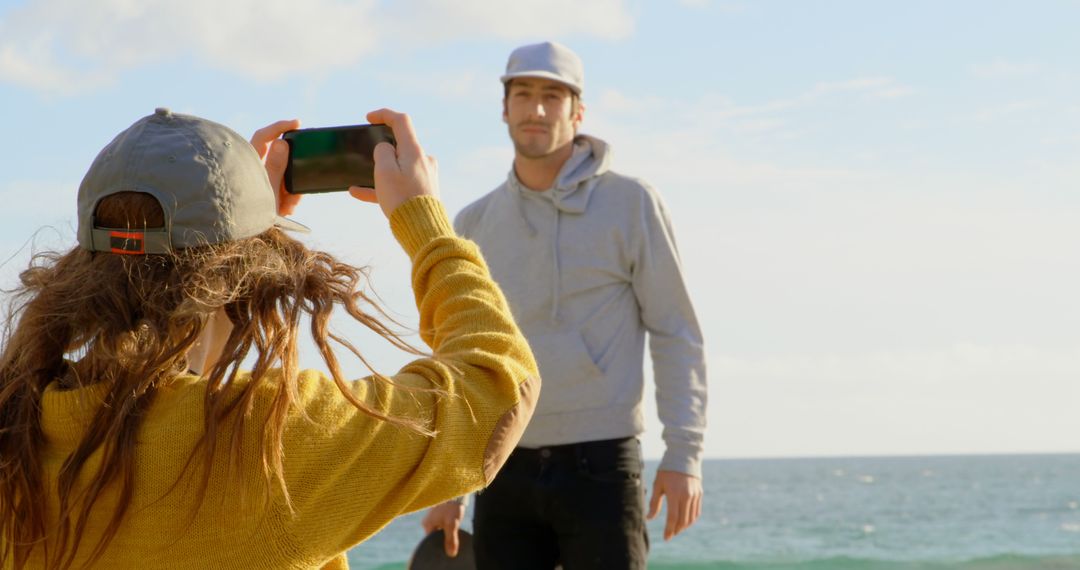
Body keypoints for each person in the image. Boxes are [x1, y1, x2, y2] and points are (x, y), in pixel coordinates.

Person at [0, 107, 540, 569]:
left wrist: (242, 234)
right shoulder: (265, 440)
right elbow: (497, 388)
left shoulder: (21, 427)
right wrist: (427, 228)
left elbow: (161, 404)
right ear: (241, 280)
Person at [421, 41, 707, 569]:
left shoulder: (631, 202)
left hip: (601, 462)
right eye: (523, 94)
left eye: (552, 96)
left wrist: (684, 455)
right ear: (503, 108)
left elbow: (675, 329)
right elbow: (459, 356)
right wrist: (450, 483)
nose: (536, 109)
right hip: (501, 463)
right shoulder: (474, 222)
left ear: (577, 112)